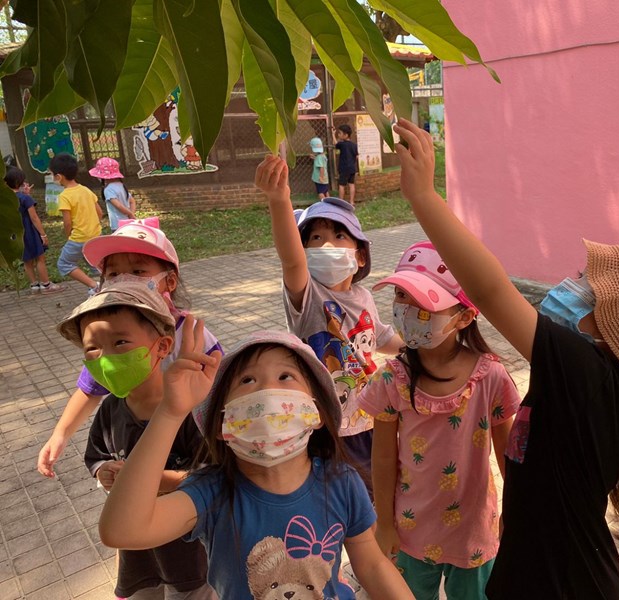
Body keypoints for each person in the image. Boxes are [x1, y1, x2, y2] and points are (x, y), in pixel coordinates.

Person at [392, 118, 619, 599]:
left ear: (616, 323)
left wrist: (423, 196)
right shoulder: (610, 386)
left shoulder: (587, 374)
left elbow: (489, 289)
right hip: (546, 575)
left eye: (587, 280)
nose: (571, 283)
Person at [97, 326, 414, 600]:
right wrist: (170, 412)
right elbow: (122, 530)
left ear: (316, 412)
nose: (267, 389)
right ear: (222, 424)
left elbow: (372, 565)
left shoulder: (341, 481)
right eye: (247, 380)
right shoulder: (211, 493)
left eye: (285, 376)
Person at [359, 241, 521, 599]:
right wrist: (384, 523)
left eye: (425, 302)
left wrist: (516, 515)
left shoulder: (491, 378)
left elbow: (510, 458)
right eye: (401, 294)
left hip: (473, 533)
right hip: (410, 530)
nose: (405, 308)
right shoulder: (391, 379)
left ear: (464, 316)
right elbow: (383, 458)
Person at [56, 282, 215, 600]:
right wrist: (104, 472)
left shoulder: (190, 412)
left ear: (162, 346)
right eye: (92, 348)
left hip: (190, 552)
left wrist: (146, 479)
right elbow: (96, 455)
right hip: (137, 555)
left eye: (120, 342)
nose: (106, 357)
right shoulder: (110, 408)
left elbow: (210, 477)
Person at [256, 155, 402, 494]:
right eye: (316, 239)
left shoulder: (362, 295)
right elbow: (290, 259)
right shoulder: (307, 296)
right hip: (330, 425)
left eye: (339, 236)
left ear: (360, 255)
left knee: (383, 490)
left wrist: (416, 349)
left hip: (371, 413)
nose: (327, 245)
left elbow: (378, 335)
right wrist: (279, 200)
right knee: (344, 497)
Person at [37, 223, 223, 478]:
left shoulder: (191, 334)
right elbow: (90, 389)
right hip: (134, 435)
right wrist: (60, 434)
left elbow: (223, 386)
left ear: (169, 281)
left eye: (138, 271)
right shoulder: (109, 336)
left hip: (191, 442)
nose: (125, 280)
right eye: (114, 274)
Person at [5, 166, 64, 294]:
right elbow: (34, 218)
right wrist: (43, 234)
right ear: (19, 182)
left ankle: (34, 286)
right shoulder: (26, 199)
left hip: (17, 235)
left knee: (27, 260)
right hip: (30, 232)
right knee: (40, 258)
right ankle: (46, 284)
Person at [50, 152, 103, 292]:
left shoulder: (65, 195)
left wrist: (68, 237)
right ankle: (109, 284)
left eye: (52, 175)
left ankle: (94, 286)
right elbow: (100, 213)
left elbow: (67, 223)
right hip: (95, 234)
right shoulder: (86, 190)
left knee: (64, 264)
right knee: (94, 262)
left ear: (58, 177)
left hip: (79, 238)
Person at [89, 156, 136, 230]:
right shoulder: (121, 185)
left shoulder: (108, 189)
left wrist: (130, 214)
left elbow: (118, 205)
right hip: (128, 223)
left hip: (118, 225)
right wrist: (131, 214)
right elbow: (132, 201)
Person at [335, 124, 358, 205]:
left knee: (341, 185)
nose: (338, 135)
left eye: (340, 133)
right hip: (352, 168)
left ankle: (341, 201)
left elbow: (336, 144)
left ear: (346, 135)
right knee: (352, 184)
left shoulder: (342, 144)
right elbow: (356, 156)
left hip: (344, 168)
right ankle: (352, 201)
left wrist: (332, 134)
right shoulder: (354, 145)